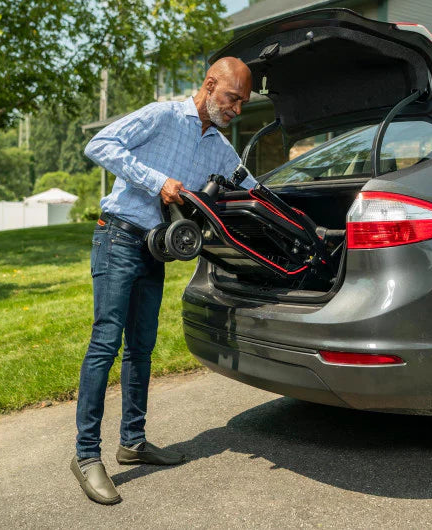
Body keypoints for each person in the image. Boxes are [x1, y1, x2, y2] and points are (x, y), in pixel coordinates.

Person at [70, 57, 256, 505]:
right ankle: (86, 455)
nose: (237, 110)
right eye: (232, 98)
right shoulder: (161, 115)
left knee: (141, 347)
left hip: (156, 248)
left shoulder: (219, 145)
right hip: (117, 237)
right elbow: (100, 144)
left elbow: (250, 186)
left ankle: (133, 443)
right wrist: (157, 182)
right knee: (105, 342)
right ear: (210, 85)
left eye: (244, 104)